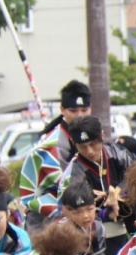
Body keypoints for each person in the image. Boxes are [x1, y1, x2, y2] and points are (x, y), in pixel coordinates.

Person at [59, 115, 135, 255]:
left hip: (129, 224)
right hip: (92, 235)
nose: (89, 151)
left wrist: (118, 192)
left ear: (101, 136)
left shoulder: (118, 153)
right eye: (82, 146)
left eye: (93, 144)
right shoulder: (72, 174)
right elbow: (74, 211)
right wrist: (107, 205)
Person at [19, 80, 92, 229]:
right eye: (74, 111)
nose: (79, 116)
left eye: (84, 110)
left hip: (78, 213)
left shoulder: (90, 135)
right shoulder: (53, 144)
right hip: (46, 219)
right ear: (63, 110)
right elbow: (67, 185)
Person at [56, 180, 107, 255]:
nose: (85, 216)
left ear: (95, 205)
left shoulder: (98, 227)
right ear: (66, 211)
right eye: (77, 212)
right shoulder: (61, 233)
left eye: (89, 209)